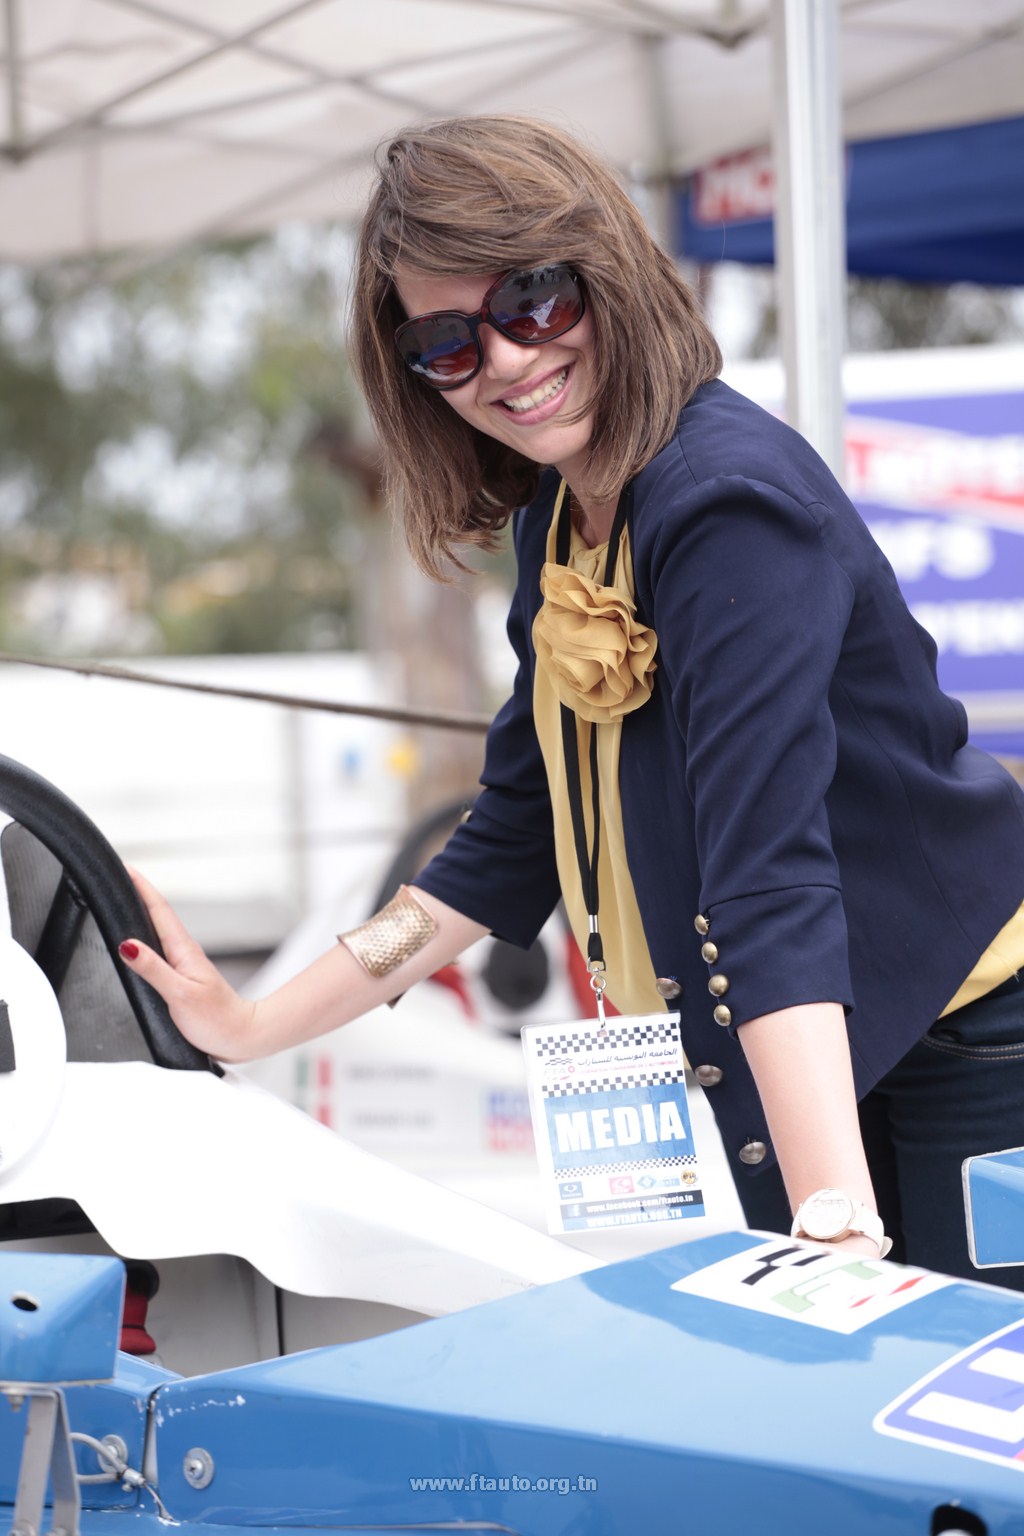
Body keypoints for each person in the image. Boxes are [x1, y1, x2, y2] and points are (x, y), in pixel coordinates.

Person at [120, 115, 1024, 1287]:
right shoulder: (560, 514)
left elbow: (767, 878)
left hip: (967, 1033)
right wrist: (256, 1022)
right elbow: (504, 841)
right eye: (445, 344)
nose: (501, 360)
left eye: (532, 301)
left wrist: (834, 1221)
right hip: (799, 1046)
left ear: (606, 272)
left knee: (954, 1388)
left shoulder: (726, 502)